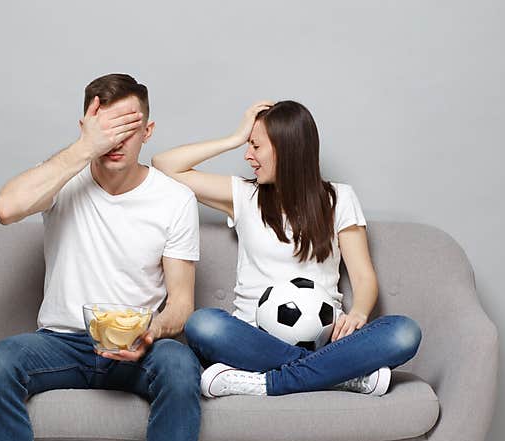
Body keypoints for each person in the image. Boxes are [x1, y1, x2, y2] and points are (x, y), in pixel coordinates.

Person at [0, 74, 203, 441]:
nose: (117, 141)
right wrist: (83, 148)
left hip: (140, 343)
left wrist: (152, 332)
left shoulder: (173, 199)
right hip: (62, 343)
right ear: (86, 126)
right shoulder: (64, 180)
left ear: (149, 131)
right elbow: (6, 207)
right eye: (106, 127)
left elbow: (181, 305)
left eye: (130, 127)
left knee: (182, 368)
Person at [152, 100, 422, 399]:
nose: (247, 155)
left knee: (404, 331)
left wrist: (358, 313)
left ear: (286, 148)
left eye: (255, 146)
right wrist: (235, 136)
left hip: (326, 339)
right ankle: (337, 377)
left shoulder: (339, 199)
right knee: (203, 325)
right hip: (253, 337)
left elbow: (363, 277)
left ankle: (270, 382)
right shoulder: (243, 195)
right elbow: (164, 165)